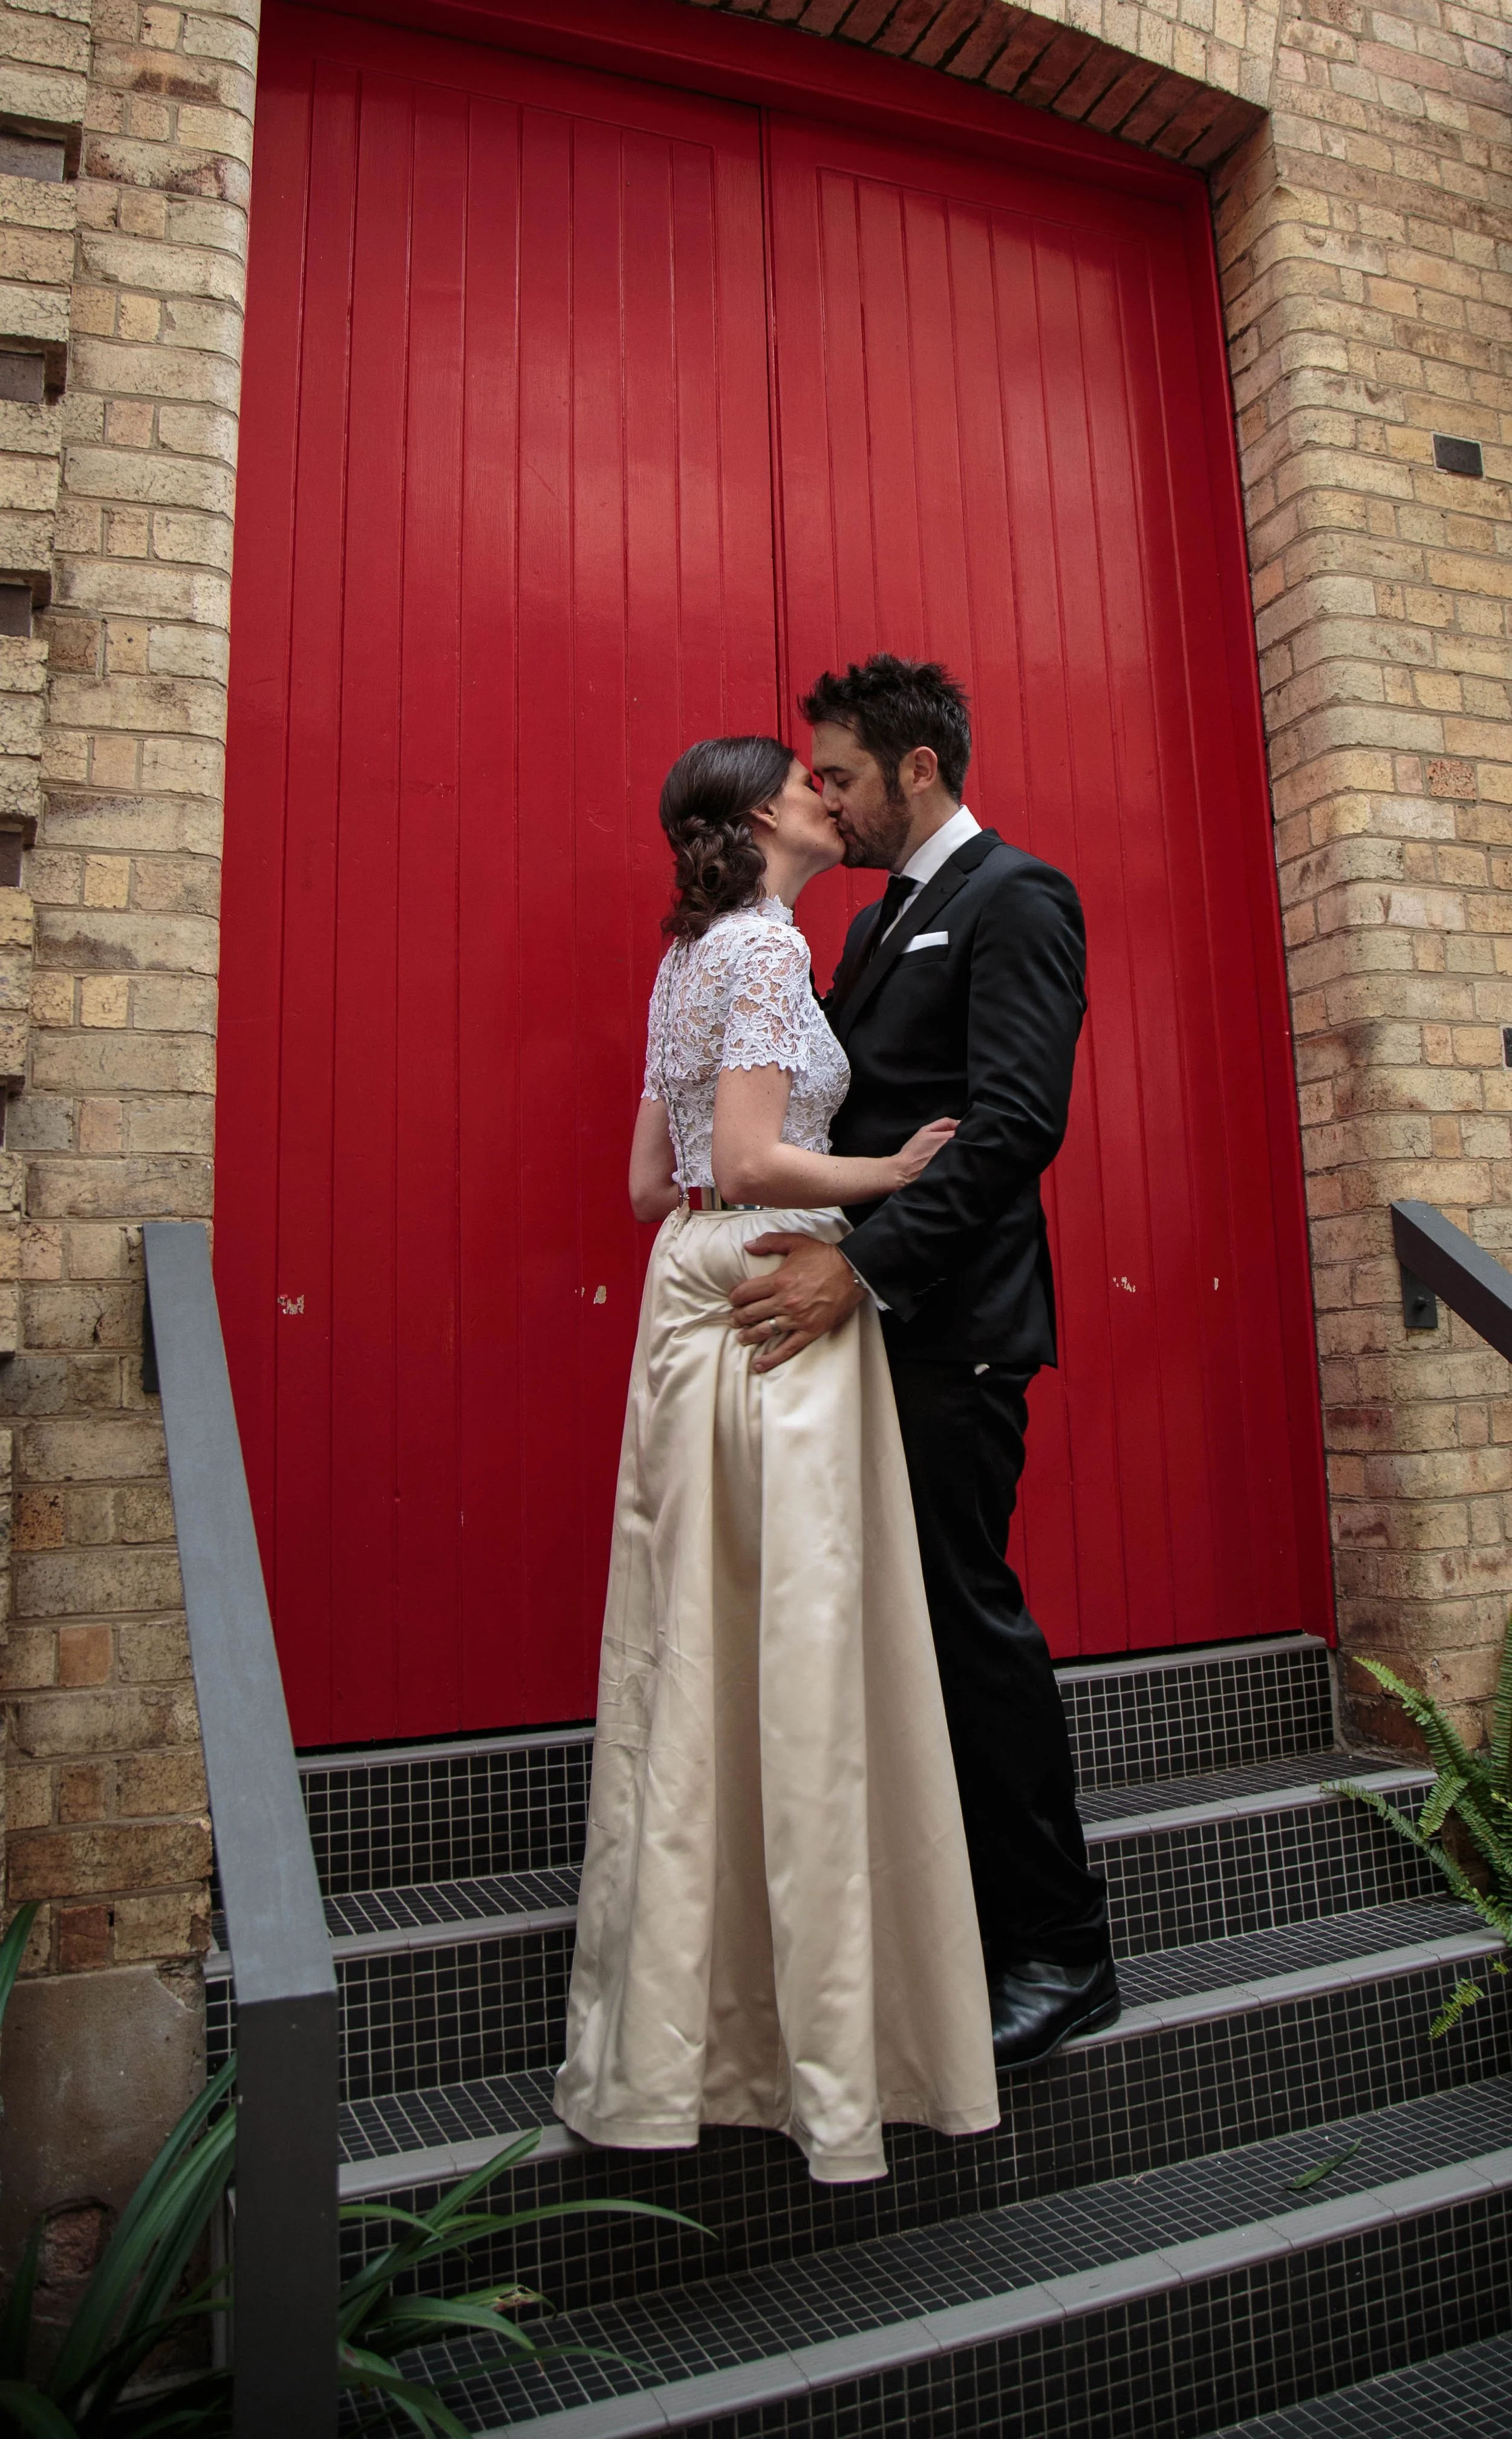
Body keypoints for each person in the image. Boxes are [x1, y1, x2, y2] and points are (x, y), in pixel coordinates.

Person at [553, 733, 1000, 2185]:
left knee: (696, 1649)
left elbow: (647, 1186)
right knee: (797, 1647)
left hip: (686, 1299)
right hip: (764, 1296)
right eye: (802, 776)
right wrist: (884, 1176)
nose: (829, 786)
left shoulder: (686, 960)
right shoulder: (755, 956)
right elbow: (747, 1163)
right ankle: (810, 2048)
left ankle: (675, 2035)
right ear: (751, 814)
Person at [728, 657, 1120, 2068]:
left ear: (916, 767)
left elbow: (1013, 1126)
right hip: (872, 1326)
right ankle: (946, 1917)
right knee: (897, 1630)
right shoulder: (876, 925)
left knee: (966, 1624)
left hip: (949, 1330)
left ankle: (1062, 1950)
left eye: (837, 775)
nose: (822, 799)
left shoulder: (1018, 897)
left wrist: (867, 1268)